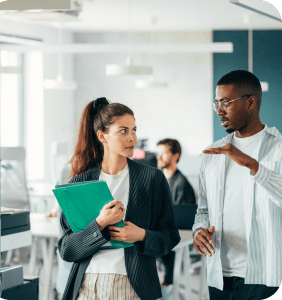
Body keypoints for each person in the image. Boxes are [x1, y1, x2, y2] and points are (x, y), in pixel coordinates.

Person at [57, 97, 180, 300]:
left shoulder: (152, 179)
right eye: (123, 131)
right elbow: (66, 250)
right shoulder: (77, 184)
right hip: (86, 286)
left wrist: (141, 235)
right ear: (102, 136)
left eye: (134, 130)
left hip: (133, 285)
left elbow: (170, 237)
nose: (132, 138)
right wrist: (100, 223)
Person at [192, 70, 282, 300]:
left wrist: (253, 165)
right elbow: (203, 209)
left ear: (251, 102)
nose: (219, 111)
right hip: (219, 277)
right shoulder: (213, 152)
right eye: (216, 103)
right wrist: (198, 231)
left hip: (265, 278)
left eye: (226, 103)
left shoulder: (279, 148)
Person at [156, 138, 196, 289]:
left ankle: (167, 284)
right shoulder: (158, 180)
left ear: (175, 156)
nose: (158, 157)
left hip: (176, 236)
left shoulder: (181, 184)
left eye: (163, 153)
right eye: (157, 153)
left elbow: (180, 221)